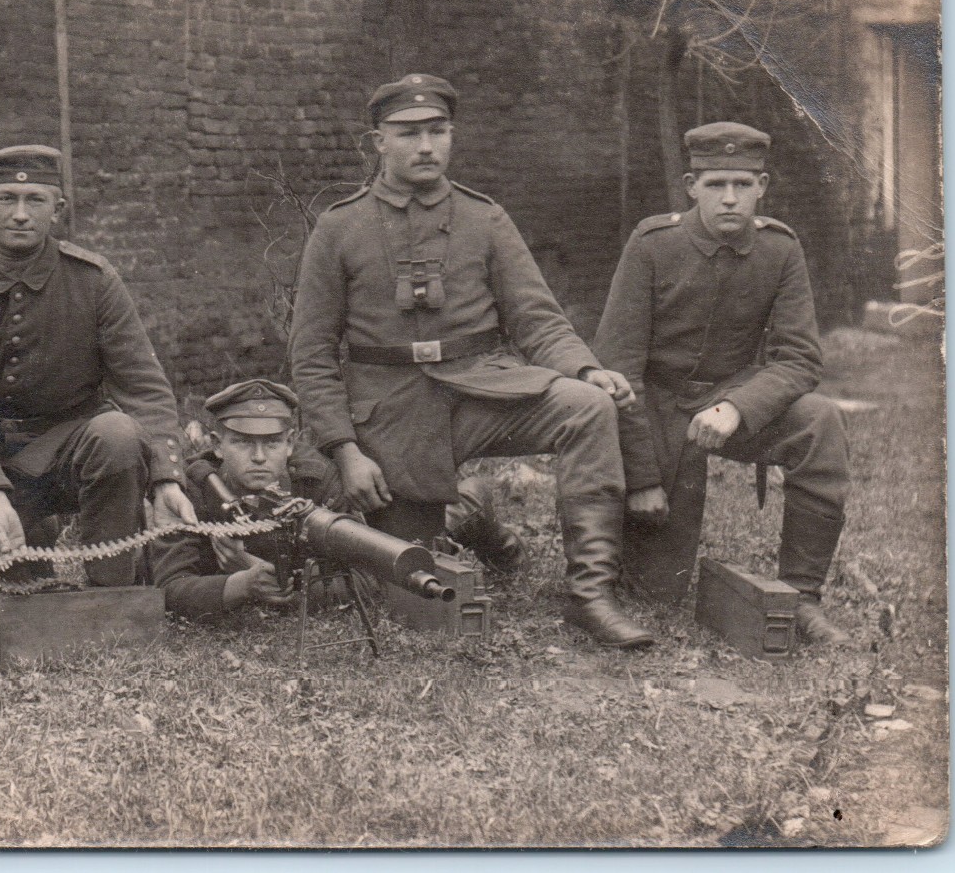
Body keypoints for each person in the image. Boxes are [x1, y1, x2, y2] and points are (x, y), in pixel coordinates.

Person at [289, 74, 653, 649]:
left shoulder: (486, 220)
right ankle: (475, 515)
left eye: (438, 131)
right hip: (391, 412)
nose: (427, 146)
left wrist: (586, 370)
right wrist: (346, 449)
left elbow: (537, 319)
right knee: (411, 586)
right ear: (377, 141)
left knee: (586, 408)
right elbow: (310, 355)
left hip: (485, 390)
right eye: (409, 133)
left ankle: (591, 594)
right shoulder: (339, 228)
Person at [593, 121, 851, 645]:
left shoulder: (780, 249)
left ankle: (801, 597)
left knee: (819, 420)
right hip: (658, 406)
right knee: (656, 591)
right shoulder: (652, 244)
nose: (729, 199)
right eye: (715, 185)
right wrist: (642, 477)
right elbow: (618, 368)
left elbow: (799, 357)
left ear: (762, 186)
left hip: (731, 401)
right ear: (691, 185)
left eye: (742, 183)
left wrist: (736, 406)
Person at [0, 144, 198, 616]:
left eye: (36, 201)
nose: (21, 214)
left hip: (74, 455)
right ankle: (27, 533)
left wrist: (168, 480)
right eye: (6, 199)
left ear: (58, 210)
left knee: (119, 435)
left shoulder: (95, 280)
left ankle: (113, 595)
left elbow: (144, 388)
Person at [151, 378, 500, 619]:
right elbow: (169, 588)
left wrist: (280, 585)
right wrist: (240, 585)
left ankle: (472, 501)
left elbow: (369, 579)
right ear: (216, 444)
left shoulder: (316, 480)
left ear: (290, 444)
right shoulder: (191, 491)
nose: (259, 457)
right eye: (242, 442)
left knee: (419, 545)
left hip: (383, 527)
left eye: (272, 443)